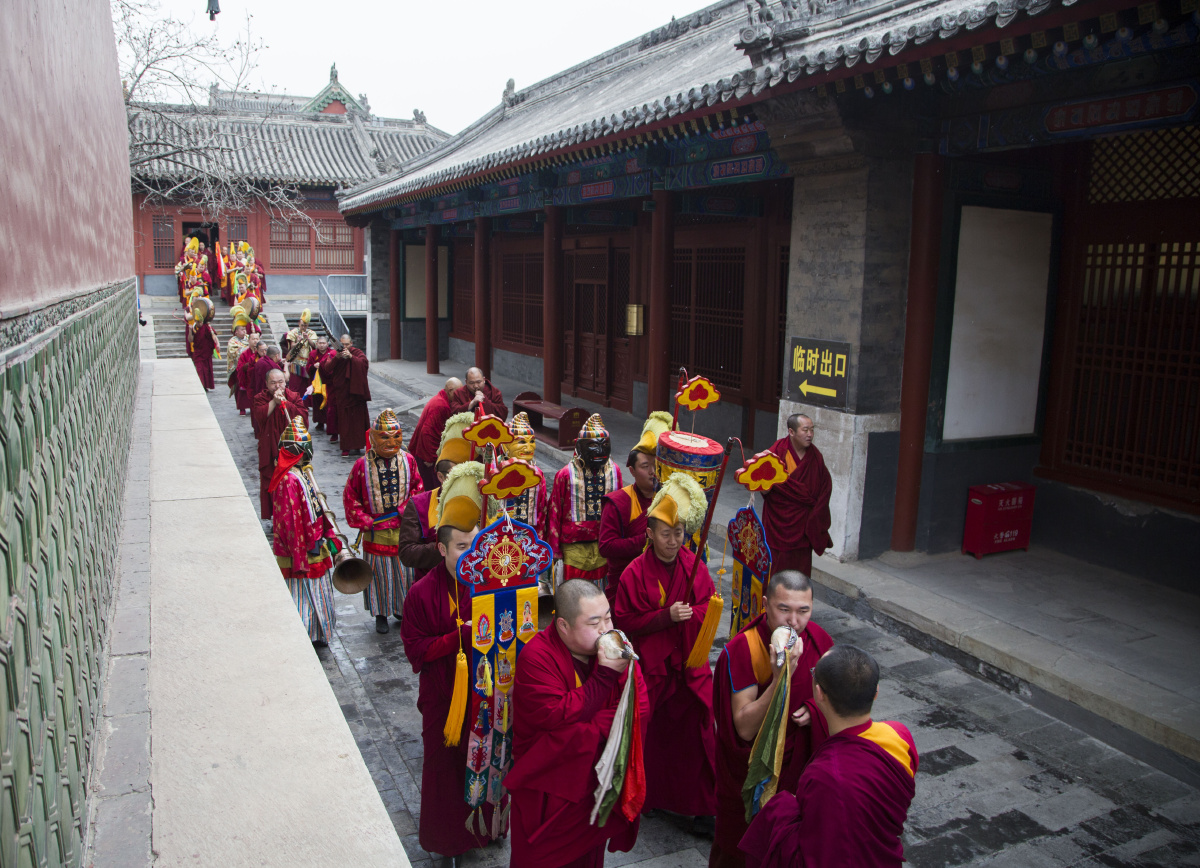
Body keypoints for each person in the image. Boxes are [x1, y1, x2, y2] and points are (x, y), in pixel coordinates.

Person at [506, 579, 650, 867]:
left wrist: (586, 725)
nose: (606, 630)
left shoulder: (616, 649)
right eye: (594, 623)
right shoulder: (537, 656)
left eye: (608, 617)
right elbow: (555, 716)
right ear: (563, 627)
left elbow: (639, 708)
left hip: (593, 787)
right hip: (548, 792)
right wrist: (605, 678)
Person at [739, 645, 918, 868]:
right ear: (876, 692)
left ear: (819, 693)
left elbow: (813, 857)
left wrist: (781, 807)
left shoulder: (825, 774)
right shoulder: (900, 736)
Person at [400, 461, 496, 865]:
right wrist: (458, 637)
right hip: (443, 701)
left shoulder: (490, 584)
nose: (471, 555)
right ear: (441, 548)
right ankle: (448, 840)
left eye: (476, 546)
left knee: (487, 761)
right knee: (444, 771)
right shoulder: (422, 593)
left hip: (485, 692)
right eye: (460, 547)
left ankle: (488, 828)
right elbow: (416, 652)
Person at [710, 570, 834, 868]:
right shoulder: (745, 649)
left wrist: (816, 711)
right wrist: (780, 680)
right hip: (752, 776)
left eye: (803, 611)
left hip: (799, 776)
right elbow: (743, 728)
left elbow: (837, 705)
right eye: (784, 609)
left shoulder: (819, 640)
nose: (794, 621)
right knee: (741, 854)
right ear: (765, 605)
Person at [613, 473, 716, 830]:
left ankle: (695, 802)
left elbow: (707, 609)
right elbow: (625, 621)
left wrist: (691, 616)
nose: (674, 542)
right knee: (649, 736)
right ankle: (649, 795)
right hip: (652, 670)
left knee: (697, 733)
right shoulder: (634, 573)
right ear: (650, 534)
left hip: (687, 665)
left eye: (679, 534)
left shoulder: (695, 567)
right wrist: (665, 617)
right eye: (666, 534)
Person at [343, 409, 423, 634]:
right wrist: (365, 520)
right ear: (372, 437)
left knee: (404, 573)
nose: (391, 442)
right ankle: (380, 614)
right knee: (379, 575)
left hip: (403, 528)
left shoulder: (409, 461)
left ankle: (401, 609)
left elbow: (418, 488)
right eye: (384, 437)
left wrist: (406, 510)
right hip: (375, 531)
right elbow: (351, 497)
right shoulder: (361, 465)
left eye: (396, 436)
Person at [267, 414, 338, 645]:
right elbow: (290, 522)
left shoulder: (300, 472)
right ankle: (306, 635)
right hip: (302, 548)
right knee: (303, 594)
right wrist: (300, 556)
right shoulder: (288, 479)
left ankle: (318, 633)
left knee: (316, 590)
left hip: (314, 542)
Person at [598, 411, 671, 604]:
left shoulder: (666, 499)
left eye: (656, 465)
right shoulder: (619, 502)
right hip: (626, 582)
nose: (652, 472)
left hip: (661, 580)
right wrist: (645, 540)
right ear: (631, 470)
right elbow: (606, 546)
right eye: (645, 466)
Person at [548, 414, 623, 591]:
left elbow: (620, 508)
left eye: (604, 445)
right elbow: (555, 511)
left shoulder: (615, 471)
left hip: (605, 542)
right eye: (592, 446)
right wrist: (554, 548)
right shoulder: (566, 474)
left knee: (602, 592)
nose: (599, 451)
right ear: (579, 447)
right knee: (575, 592)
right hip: (574, 547)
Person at [397, 412, 472, 585]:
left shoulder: (480, 502)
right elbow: (407, 553)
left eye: (466, 475)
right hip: (432, 587)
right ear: (440, 476)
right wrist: (448, 548)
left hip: (472, 588)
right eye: (455, 476)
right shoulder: (420, 504)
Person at [760, 414, 833, 577]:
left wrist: (816, 518)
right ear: (791, 432)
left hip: (803, 528)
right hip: (778, 525)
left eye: (812, 430)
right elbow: (763, 489)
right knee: (775, 572)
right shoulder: (777, 452)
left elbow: (825, 488)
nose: (810, 434)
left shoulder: (815, 457)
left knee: (800, 572)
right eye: (805, 430)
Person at [252, 369, 309, 520]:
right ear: (266, 384)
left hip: (290, 450)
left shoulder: (294, 396)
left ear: (285, 382)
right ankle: (276, 516)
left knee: (292, 481)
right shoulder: (260, 398)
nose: (277, 386)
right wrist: (274, 402)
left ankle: (293, 515)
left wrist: (286, 403)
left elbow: (303, 419)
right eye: (273, 383)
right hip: (270, 449)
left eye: (281, 382)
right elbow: (259, 416)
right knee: (271, 483)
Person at [408, 377, 462, 491]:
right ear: (450, 390)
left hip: (426, 452)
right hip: (426, 456)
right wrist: (430, 458)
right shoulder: (440, 405)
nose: (460, 396)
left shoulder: (441, 400)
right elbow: (427, 432)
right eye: (458, 392)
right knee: (431, 489)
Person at [501, 411, 549, 537]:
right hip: (500, 536)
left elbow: (542, 510)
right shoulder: (495, 472)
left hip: (530, 536)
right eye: (521, 442)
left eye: (532, 441)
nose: (528, 448)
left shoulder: (538, 473)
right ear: (506, 447)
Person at [325, 334, 371, 458]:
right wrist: (337, 358)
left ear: (351, 344)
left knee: (358, 421)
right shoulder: (335, 354)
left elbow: (364, 364)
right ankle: (346, 447)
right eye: (342, 344)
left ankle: (357, 445)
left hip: (356, 394)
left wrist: (351, 357)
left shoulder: (357, 352)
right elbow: (327, 368)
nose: (344, 347)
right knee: (344, 421)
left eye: (347, 344)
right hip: (343, 393)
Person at [282, 309, 318, 394]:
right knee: (295, 386)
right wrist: (298, 341)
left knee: (306, 386)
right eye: (302, 325)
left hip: (307, 362)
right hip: (296, 362)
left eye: (305, 326)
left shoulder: (311, 333)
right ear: (299, 323)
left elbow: (314, 345)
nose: (303, 328)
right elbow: (291, 346)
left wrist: (307, 338)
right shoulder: (293, 332)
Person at [185, 306, 217, 391]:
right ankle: (201, 386)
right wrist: (190, 331)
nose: (199, 323)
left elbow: (214, 336)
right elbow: (190, 340)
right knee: (199, 369)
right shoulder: (194, 328)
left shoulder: (207, 327)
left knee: (206, 370)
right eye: (198, 322)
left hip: (206, 352)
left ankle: (205, 386)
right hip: (198, 353)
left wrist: (217, 344)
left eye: (201, 322)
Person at [306, 336, 333, 432]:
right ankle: (320, 422)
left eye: (323, 343)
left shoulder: (331, 353)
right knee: (317, 401)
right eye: (320, 343)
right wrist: (313, 366)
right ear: (316, 344)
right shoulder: (313, 354)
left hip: (328, 381)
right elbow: (308, 367)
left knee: (328, 401)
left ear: (327, 344)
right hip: (316, 381)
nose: (322, 345)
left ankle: (329, 422)